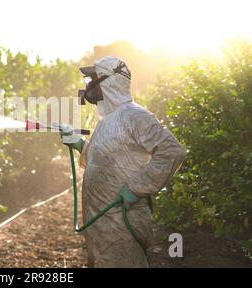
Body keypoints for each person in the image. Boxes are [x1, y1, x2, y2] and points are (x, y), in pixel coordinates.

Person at [61, 56, 186, 267]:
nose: (89, 86)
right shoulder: (107, 121)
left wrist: (137, 187)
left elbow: (173, 151)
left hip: (123, 224)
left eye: (93, 79)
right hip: (102, 224)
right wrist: (78, 143)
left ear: (109, 82)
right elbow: (103, 159)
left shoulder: (134, 116)